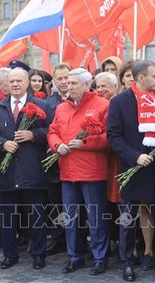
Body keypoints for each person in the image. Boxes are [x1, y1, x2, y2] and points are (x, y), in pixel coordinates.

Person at [107, 60, 155, 282]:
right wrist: (134, 156)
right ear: (140, 78)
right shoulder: (120, 102)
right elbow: (114, 136)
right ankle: (127, 262)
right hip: (135, 167)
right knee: (128, 219)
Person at [0, 67, 52, 270]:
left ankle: (39, 254)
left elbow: (52, 130)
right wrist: (2, 144)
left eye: (18, 81)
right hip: (6, 172)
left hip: (32, 170)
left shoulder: (42, 105)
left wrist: (34, 135)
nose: (14, 84)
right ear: (6, 84)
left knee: (36, 217)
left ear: (27, 83)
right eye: (11, 81)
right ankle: (10, 255)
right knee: (7, 218)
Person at [48, 68, 110, 276]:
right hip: (68, 170)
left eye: (73, 82)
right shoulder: (61, 108)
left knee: (96, 218)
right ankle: (75, 256)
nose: (68, 85)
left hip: (92, 171)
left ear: (86, 85)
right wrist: (57, 145)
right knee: (71, 218)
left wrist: (84, 143)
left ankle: (100, 257)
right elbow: (53, 132)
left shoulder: (102, 104)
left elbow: (110, 137)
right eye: (66, 81)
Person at [44, 63, 72, 256]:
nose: (63, 82)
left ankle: (78, 237)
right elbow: (46, 129)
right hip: (54, 160)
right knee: (55, 202)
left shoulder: (80, 100)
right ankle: (58, 237)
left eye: (66, 78)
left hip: (75, 159)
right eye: (59, 78)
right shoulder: (47, 103)